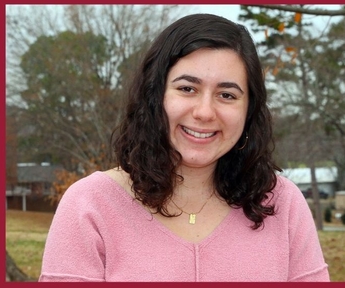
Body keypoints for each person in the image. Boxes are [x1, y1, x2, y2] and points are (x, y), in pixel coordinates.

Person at [39, 13, 330, 282]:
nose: (205, 112)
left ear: (249, 110)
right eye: (187, 88)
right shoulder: (91, 205)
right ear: (155, 97)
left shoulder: (282, 204)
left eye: (227, 95)